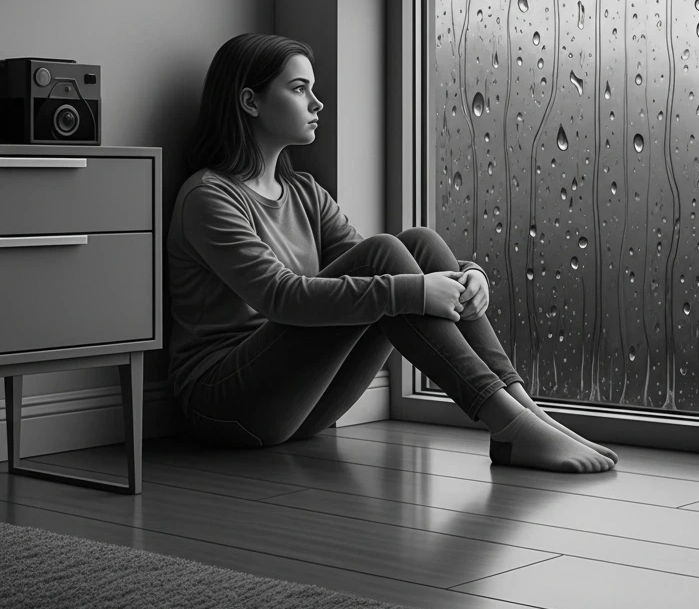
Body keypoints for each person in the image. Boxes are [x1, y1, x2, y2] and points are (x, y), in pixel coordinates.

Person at [166, 33, 618, 473]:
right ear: (251, 101)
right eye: (300, 89)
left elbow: (378, 263)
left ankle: (524, 413)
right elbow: (281, 297)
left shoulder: (303, 191)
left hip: (299, 404)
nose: (317, 103)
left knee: (417, 242)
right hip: (225, 406)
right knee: (386, 257)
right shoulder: (209, 197)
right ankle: (509, 424)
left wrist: (466, 274)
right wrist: (416, 292)